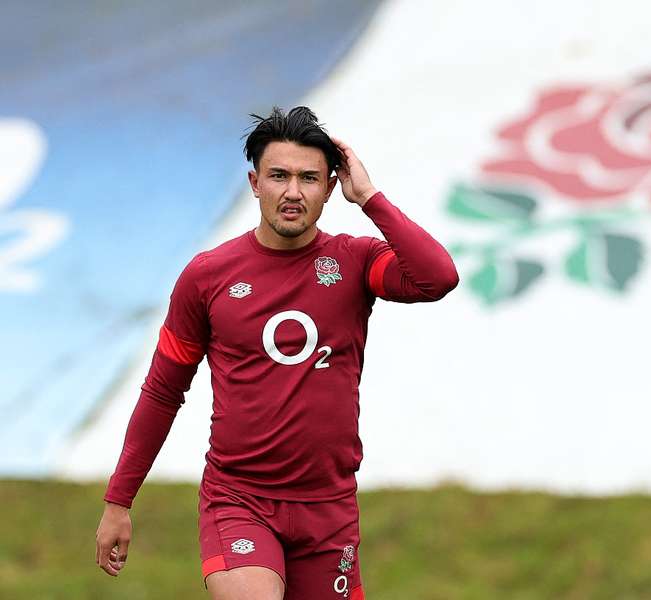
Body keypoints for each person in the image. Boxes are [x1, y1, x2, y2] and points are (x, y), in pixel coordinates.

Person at [94, 106, 459, 600]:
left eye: (309, 178)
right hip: (239, 499)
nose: (292, 191)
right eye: (279, 176)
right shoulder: (208, 277)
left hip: (328, 510)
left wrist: (370, 198)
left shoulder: (355, 262)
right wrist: (119, 501)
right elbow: (162, 390)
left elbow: (437, 278)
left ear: (330, 187)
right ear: (254, 183)